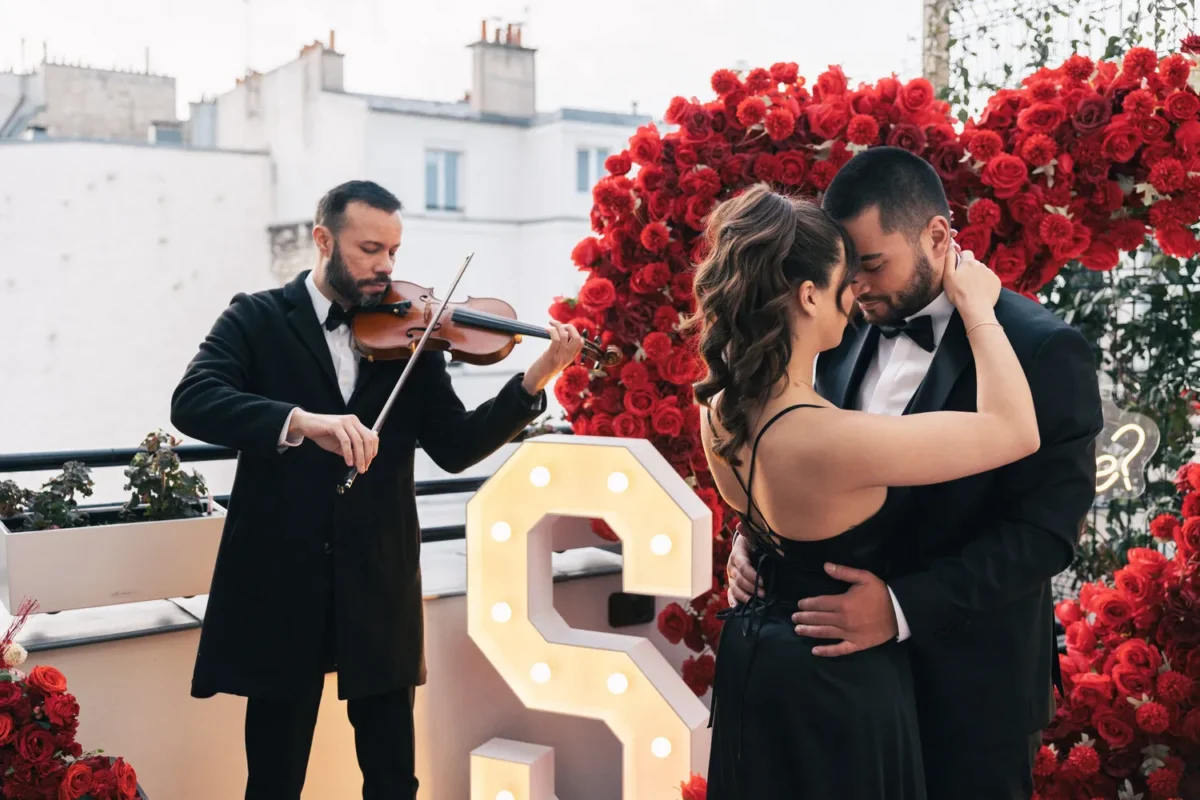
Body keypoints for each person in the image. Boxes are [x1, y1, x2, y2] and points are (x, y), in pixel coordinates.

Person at [170, 179, 583, 800]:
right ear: (323, 240)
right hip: (284, 584)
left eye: (393, 250)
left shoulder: (410, 341)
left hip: (379, 583)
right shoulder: (254, 318)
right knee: (274, 777)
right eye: (369, 250)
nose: (386, 267)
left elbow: (454, 446)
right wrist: (301, 422)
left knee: (393, 777)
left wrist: (532, 381)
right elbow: (193, 400)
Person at [722, 148, 1104, 799]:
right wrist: (764, 536)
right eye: (846, 270)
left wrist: (899, 608)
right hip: (843, 694)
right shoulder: (839, 328)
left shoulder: (1042, 348)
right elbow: (814, 459)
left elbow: (1045, 534)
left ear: (937, 236)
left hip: (969, 689)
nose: (857, 288)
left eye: (872, 264)